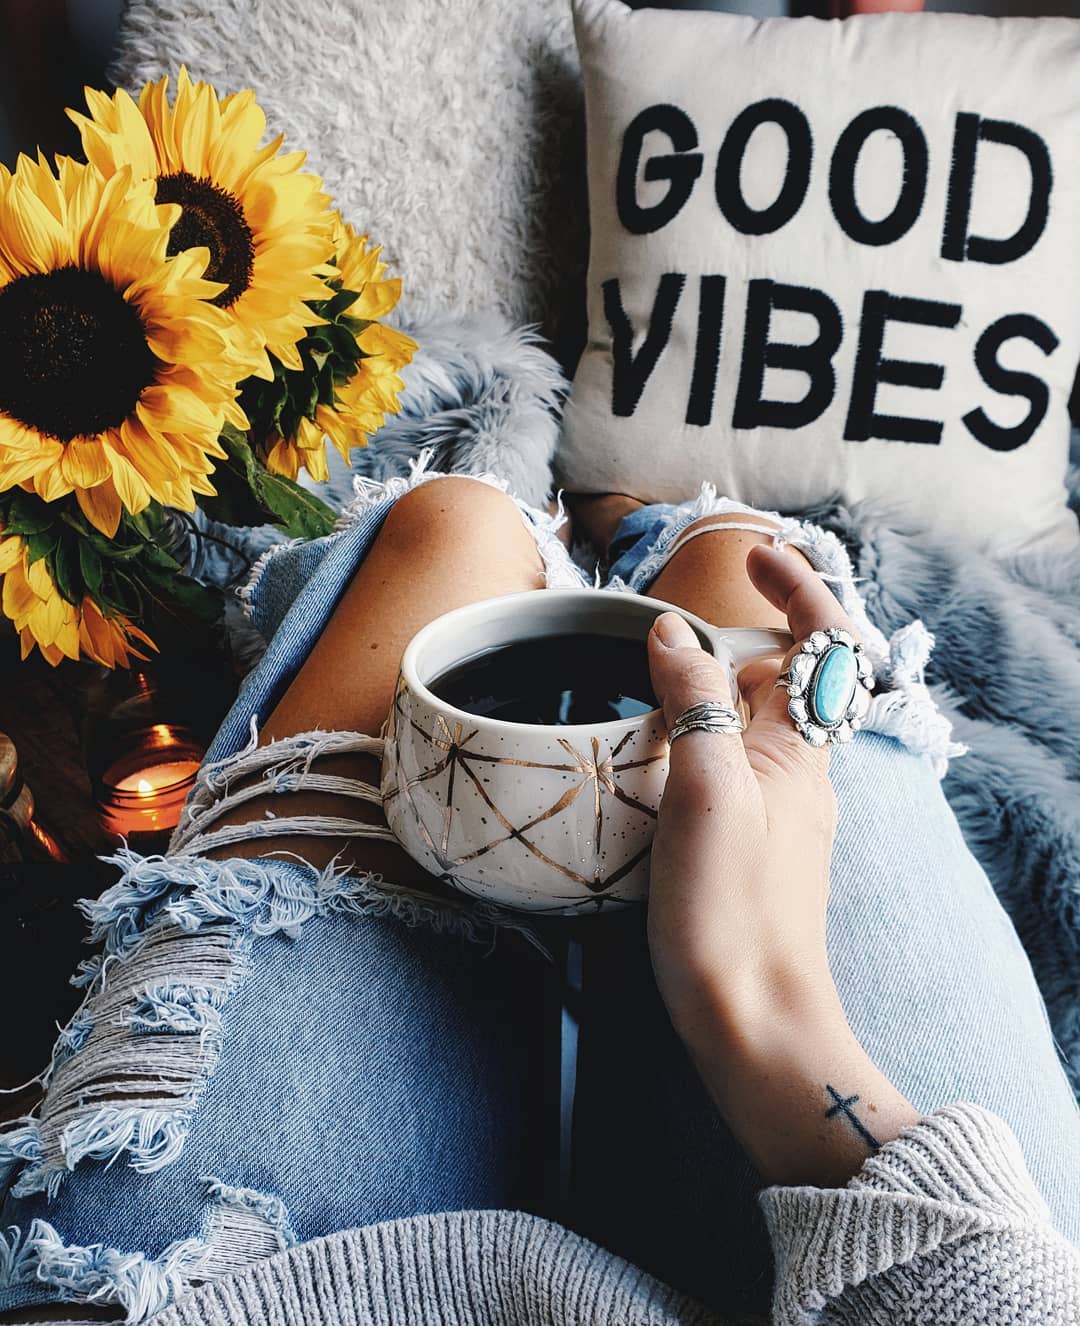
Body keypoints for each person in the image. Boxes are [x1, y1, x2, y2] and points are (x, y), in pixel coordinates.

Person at [0, 471, 1078, 1325]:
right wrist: (760, 1004)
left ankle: (553, 534)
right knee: (754, 596)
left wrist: (754, 991)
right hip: (941, 1267)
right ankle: (663, 529)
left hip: (225, 1289)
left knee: (450, 527)